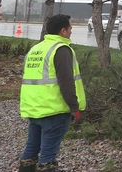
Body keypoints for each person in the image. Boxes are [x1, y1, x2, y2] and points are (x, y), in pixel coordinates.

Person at [18, 14, 86, 172]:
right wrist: (74, 107)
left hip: (35, 109)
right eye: (70, 28)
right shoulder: (61, 49)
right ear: (63, 31)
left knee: (31, 151)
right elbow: (66, 83)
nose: (71, 31)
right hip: (54, 110)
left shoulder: (36, 49)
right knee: (48, 156)